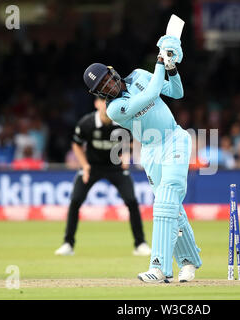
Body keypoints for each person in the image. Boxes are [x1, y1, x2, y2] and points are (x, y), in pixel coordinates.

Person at [82, 35, 202, 283]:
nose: (108, 86)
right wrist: (160, 61)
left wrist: (171, 66)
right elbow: (150, 96)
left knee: (166, 200)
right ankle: (189, 262)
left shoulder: (139, 74)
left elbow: (176, 92)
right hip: (150, 151)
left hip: (174, 139)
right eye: (101, 87)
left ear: (113, 72)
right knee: (171, 209)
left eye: (107, 79)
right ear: (97, 93)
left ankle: (158, 268)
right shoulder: (114, 109)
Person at [54, 97, 151, 257]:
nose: (106, 105)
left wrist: (125, 155)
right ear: (96, 104)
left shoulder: (122, 122)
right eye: (102, 101)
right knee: (75, 200)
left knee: (132, 201)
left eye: (109, 102)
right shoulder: (87, 123)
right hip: (92, 166)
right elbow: (76, 145)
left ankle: (140, 244)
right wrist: (84, 166)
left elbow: (131, 142)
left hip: (115, 167)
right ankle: (68, 244)